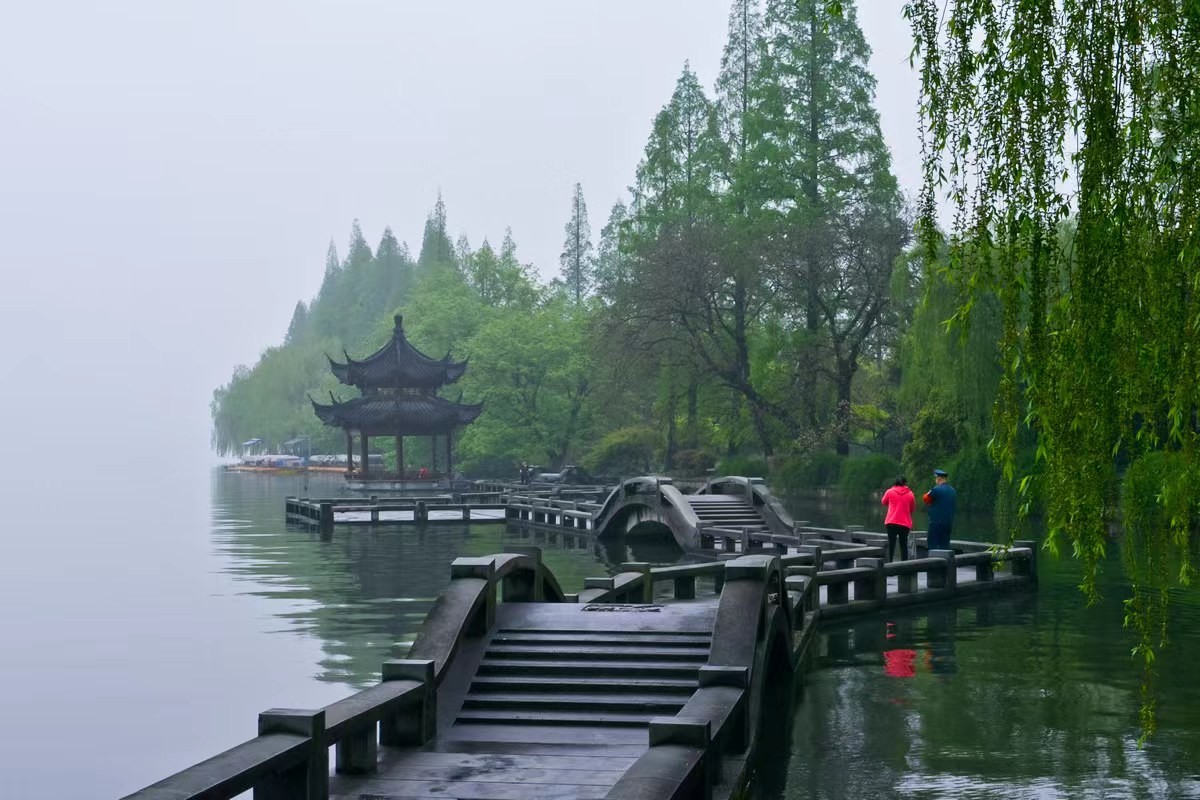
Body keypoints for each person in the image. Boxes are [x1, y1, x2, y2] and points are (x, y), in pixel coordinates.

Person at [880, 476, 915, 562]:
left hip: (891, 522)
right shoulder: (910, 494)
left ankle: (889, 565)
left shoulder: (890, 491)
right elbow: (912, 509)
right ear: (905, 483)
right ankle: (904, 567)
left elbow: (883, 502)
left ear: (895, 483)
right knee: (904, 545)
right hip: (905, 523)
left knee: (891, 544)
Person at [922, 469, 957, 551]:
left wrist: (928, 493)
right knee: (945, 545)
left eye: (936, 479)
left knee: (932, 545)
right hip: (948, 522)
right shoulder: (953, 490)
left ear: (939, 479)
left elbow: (926, 499)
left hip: (936, 523)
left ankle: (933, 563)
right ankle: (945, 562)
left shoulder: (935, 489)